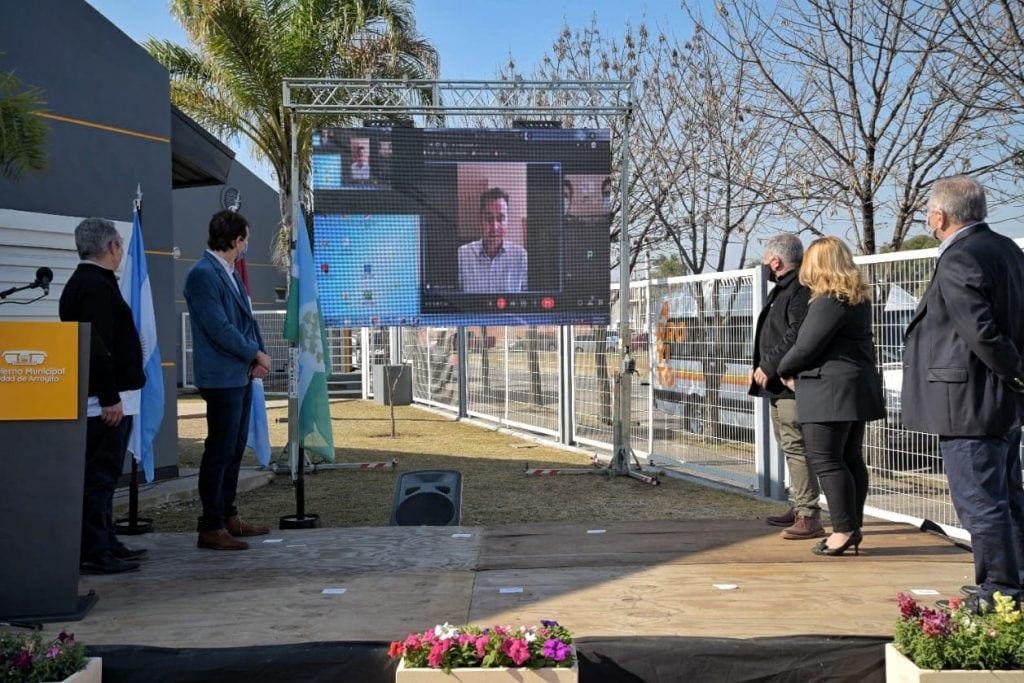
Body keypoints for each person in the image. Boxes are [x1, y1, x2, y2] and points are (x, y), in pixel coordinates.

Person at [902, 176, 1024, 612]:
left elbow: (981, 331)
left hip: (969, 401)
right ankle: (1013, 582)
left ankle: (999, 590)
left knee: (980, 502)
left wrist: (1016, 372)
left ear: (939, 216)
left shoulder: (960, 257)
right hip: (999, 400)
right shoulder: (1008, 249)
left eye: (928, 214)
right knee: (1006, 496)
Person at [778, 236, 885, 557]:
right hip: (853, 388)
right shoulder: (856, 298)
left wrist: (783, 368)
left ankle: (843, 530)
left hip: (830, 391)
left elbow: (807, 346)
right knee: (850, 458)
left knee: (827, 460)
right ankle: (851, 525)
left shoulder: (829, 300)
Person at [59, 218, 147, 574]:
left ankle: (106, 539)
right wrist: (110, 397)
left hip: (110, 397)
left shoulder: (92, 282)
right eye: (120, 246)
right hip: (104, 402)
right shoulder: (93, 286)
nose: (121, 252)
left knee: (108, 475)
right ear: (111, 247)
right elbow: (97, 348)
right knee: (99, 475)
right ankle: (94, 550)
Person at [184, 209, 272, 551]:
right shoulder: (202, 274)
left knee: (234, 447)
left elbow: (246, 320)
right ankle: (211, 525)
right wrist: (254, 353)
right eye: (245, 240)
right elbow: (219, 328)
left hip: (240, 373)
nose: (246, 246)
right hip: (221, 376)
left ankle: (228, 514)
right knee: (219, 450)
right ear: (236, 241)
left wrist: (258, 356)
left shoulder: (230, 273)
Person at [749, 234, 824, 540]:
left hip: (788, 381)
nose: (765, 265)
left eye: (767, 260)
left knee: (796, 445)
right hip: (777, 383)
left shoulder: (799, 289)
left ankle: (809, 513)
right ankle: (799, 506)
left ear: (776, 261)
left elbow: (796, 333)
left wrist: (770, 365)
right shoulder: (783, 289)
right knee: (788, 444)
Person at [457, 187, 527, 293]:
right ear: (480, 219)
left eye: (500, 219)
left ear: (507, 220)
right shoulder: (462, 255)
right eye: (489, 219)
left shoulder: (521, 257)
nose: (494, 226)